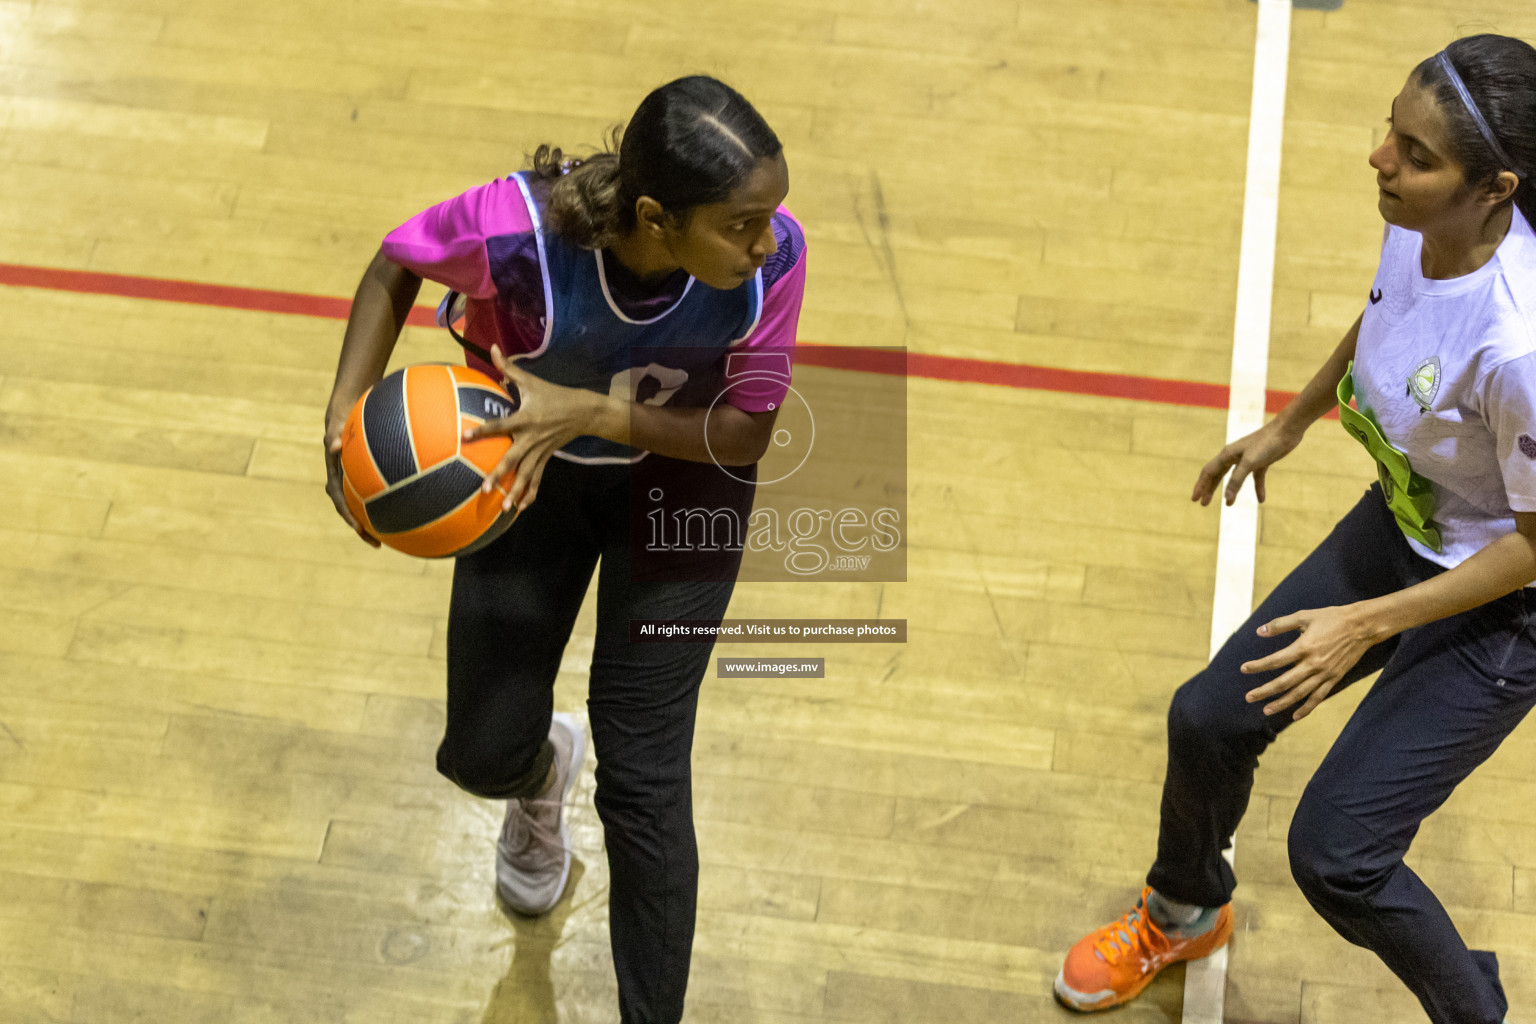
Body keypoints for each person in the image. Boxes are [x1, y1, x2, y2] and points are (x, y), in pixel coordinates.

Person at [1054, 35, 1536, 1023]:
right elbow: (1385, 315)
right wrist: (1291, 420)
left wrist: (1364, 623)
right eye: (1389, 132)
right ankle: (1182, 910)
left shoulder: (1520, 346)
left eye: (1414, 152)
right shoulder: (1419, 224)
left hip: (1505, 602)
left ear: (1493, 188)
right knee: (1206, 719)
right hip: (1414, 523)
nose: (1380, 160)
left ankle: (1474, 1011)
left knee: (1338, 855)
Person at [322, 76, 807, 1024]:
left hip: (684, 482)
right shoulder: (515, 232)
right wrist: (344, 417)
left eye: (770, 215)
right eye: (743, 223)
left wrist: (588, 409)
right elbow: (394, 260)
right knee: (478, 750)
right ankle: (541, 775)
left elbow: (744, 432)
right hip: (529, 479)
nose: (770, 238)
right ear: (659, 219)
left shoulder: (771, 261)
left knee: (646, 780)